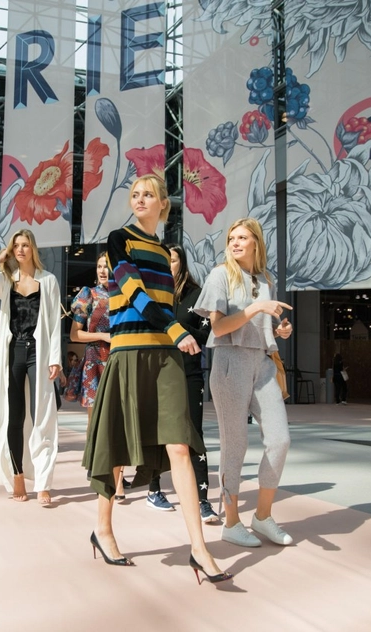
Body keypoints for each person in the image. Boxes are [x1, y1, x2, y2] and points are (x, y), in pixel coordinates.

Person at [82, 174, 229, 584]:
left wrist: (180, 334)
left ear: (164, 204)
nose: (140, 199)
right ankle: (104, 529)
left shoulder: (165, 252)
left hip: (165, 357)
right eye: (134, 194)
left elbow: (168, 303)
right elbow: (131, 289)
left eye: (148, 194)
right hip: (128, 353)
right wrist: (175, 330)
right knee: (117, 445)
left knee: (179, 444)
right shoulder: (119, 239)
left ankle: (198, 548)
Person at [194, 217, 294, 549]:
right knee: (234, 445)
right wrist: (254, 309)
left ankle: (262, 517)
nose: (235, 242)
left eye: (243, 237)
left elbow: (264, 323)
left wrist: (278, 331)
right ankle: (232, 522)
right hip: (229, 361)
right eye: (232, 237)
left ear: (256, 243)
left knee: (280, 441)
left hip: (262, 361)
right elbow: (219, 328)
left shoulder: (266, 279)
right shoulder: (220, 275)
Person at [0, 229, 61, 505]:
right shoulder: (6, 281)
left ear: (33, 248)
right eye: (16, 246)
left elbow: (55, 322)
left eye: (25, 245)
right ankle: (17, 475)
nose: (21, 250)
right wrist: (0, 256)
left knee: (42, 417)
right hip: (13, 353)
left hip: (39, 352)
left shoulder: (48, 281)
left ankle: (44, 482)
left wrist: (56, 358)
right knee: (13, 417)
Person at [168, 243, 218, 523]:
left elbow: (205, 336)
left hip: (189, 373)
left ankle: (203, 500)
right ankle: (154, 490)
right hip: (161, 373)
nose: (168, 266)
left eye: (173, 261)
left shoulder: (197, 296)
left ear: (182, 264)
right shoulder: (155, 296)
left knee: (194, 435)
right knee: (161, 434)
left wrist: (173, 326)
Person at [67, 253, 111, 422]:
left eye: (106, 266)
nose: (102, 270)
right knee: (94, 422)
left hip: (119, 359)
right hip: (94, 362)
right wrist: (103, 336)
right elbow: (74, 334)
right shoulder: (89, 294)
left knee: (117, 419)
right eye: (99, 266)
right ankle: (91, 449)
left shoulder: (125, 296)